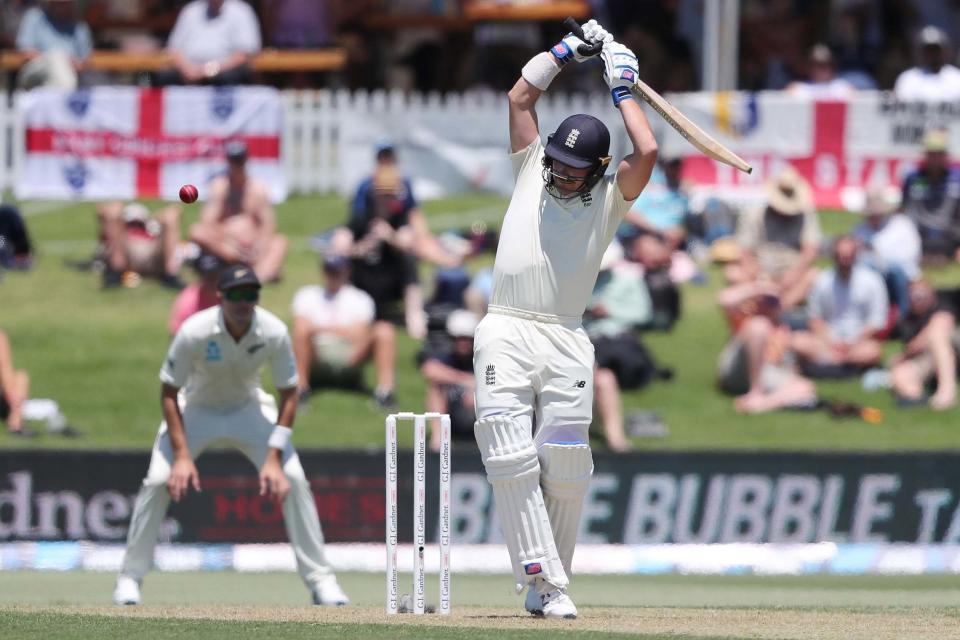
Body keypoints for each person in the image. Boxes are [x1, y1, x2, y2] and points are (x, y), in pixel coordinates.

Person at [471, 20, 658, 619]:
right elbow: (519, 97)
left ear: (598, 166)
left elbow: (648, 150)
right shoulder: (531, 165)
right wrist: (564, 53)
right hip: (505, 325)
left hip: (567, 335)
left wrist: (623, 87)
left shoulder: (610, 197)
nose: (559, 171)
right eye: (556, 161)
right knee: (507, 447)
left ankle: (546, 582)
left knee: (569, 462)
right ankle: (546, 581)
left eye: (574, 167)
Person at [112, 264, 349, 607]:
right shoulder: (194, 330)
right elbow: (168, 392)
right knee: (158, 479)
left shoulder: (273, 331)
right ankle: (129, 579)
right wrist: (181, 456)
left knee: (293, 478)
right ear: (221, 297)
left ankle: (321, 582)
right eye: (235, 295)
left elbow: (289, 394)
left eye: (250, 294)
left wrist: (272, 459)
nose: (243, 302)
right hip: (197, 409)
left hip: (248, 409)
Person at [329, 140, 462, 410]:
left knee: (412, 254)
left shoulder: (401, 207)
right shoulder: (362, 206)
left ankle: (415, 314)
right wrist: (365, 245)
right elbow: (339, 246)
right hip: (363, 281)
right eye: (382, 196)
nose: (386, 201)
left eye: (390, 197)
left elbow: (413, 233)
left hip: (393, 276)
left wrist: (389, 237)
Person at [584, 241, 653, 452]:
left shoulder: (629, 280)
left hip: (617, 340)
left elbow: (643, 314)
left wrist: (611, 311)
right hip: (588, 340)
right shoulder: (577, 283)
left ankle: (615, 438)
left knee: (602, 374)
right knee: (600, 374)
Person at [189, 140, 288, 283]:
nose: (236, 166)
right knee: (197, 232)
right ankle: (243, 268)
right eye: (234, 161)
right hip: (226, 245)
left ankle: (257, 276)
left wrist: (259, 246)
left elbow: (268, 224)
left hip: (252, 246)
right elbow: (207, 222)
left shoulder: (257, 188)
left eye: (239, 161)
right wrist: (229, 244)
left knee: (279, 242)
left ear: (246, 160)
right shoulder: (220, 187)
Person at [725, 166, 822, 312]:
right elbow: (744, 251)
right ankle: (772, 302)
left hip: (791, 270)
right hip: (760, 271)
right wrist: (758, 275)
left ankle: (779, 307)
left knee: (814, 276)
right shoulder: (755, 214)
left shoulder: (805, 214)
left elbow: (810, 250)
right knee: (732, 272)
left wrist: (794, 274)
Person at [791, 235, 888, 376]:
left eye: (848, 257)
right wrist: (831, 341)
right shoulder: (823, 280)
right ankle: (842, 364)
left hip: (858, 341)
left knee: (872, 351)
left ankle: (827, 363)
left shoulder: (872, 281)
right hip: (827, 340)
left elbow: (876, 321)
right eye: (841, 257)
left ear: (855, 256)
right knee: (797, 341)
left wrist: (852, 342)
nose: (844, 261)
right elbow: (815, 318)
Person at [715, 285, 818, 414]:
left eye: (772, 302)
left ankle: (760, 404)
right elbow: (724, 299)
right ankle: (755, 392)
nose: (767, 305)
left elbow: (788, 365)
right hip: (738, 368)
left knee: (806, 387)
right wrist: (758, 289)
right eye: (764, 301)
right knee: (759, 326)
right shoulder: (744, 317)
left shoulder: (783, 329)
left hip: (766, 370)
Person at [291, 254, 375, 401]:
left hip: (350, 353)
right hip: (317, 351)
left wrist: (319, 328)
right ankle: (301, 389)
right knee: (301, 332)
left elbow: (360, 334)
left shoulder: (360, 298)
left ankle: (385, 393)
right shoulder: (306, 295)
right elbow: (301, 326)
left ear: (347, 271)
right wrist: (342, 329)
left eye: (337, 271)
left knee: (384, 331)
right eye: (329, 271)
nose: (333, 275)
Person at [851, 185, 920, 322]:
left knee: (894, 270)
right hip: (871, 276)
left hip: (901, 274)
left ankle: (903, 318)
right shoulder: (860, 230)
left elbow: (910, 256)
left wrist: (880, 259)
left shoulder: (902, 225)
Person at [155, 0, 261, 86]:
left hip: (223, 70)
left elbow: (243, 55)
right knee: (162, 76)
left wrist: (208, 70)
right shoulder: (190, 10)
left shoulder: (241, 11)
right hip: (189, 70)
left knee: (227, 78)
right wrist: (188, 69)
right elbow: (174, 50)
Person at [889, 279, 958, 410]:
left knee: (936, 333)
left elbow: (943, 321)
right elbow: (912, 348)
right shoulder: (906, 320)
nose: (918, 299)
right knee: (899, 373)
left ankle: (947, 391)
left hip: (953, 348)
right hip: (929, 359)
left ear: (932, 294)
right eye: (914, 296)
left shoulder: (943, 306)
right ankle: (917, 398)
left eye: (921, 295)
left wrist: (910, 350)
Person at [420, 309, 478, 452]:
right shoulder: (446, 355)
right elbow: (430, 370)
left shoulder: (483, 359)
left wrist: (478, 392)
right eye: (458, 338)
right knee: (435, 388)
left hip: (478, 416)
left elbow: (493, 381)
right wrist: (466, 380)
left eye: (467, 339)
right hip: (452, 414)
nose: (463, 343)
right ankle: (439, 438)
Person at [901, 129, 960, 264]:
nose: (935, 159)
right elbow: (903, 208)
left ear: (945, 156)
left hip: (949, 233)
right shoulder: (913, 178)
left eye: (939, 154)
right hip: (918, 234)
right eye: (931, 154)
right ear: (925, 155)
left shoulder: (957, 178)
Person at [97, 202, 187, 290]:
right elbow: (106, 218)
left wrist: (157, 219)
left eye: (138, 223)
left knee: (170, 216)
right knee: (114, 210)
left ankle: (171, 274)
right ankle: (116, 273)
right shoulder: (120, 231)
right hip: (126, 255)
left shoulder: (152, 230)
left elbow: (174, 213)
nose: (135, 225)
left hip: (152, 254)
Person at [15, 0, 92, 90]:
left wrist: (67, 62)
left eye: (64, 3)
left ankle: (58, 99)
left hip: (68, 71)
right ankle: (63, 98)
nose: (61, 5)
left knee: (59, 71)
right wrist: (54, 58)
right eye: (58, 2)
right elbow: (26, 51)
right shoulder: (34, 16)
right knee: (57, 59)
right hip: (35, 71)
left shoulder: (79, 26)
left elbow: (84, 62)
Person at [617, 157, 689, 250]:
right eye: (671, 166)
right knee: (649, 247)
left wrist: (679, 233)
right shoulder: (649, 185)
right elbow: (628, 213)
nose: (674, 169)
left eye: (677, 166)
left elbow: (682, 222)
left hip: (672, 241)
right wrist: (661, 232)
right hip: (641, 236)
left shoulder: (682, 192)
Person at [894, 26, 960, 102]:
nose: (932, 53)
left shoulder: (957, 78)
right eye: (928, 49)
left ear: (944, 50)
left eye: (936, 49)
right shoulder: (908, 78)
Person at [168, 253, 224, 335]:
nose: (212, 280)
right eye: (207, 276)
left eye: (215, 275)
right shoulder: (188, 300)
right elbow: (176, 334)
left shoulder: (230, 296)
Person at [786, 43, 855, 99]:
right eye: (818, 65)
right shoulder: (799, 88)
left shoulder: (843, 87)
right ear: (808, 67)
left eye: (827, 64)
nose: (823, 69)